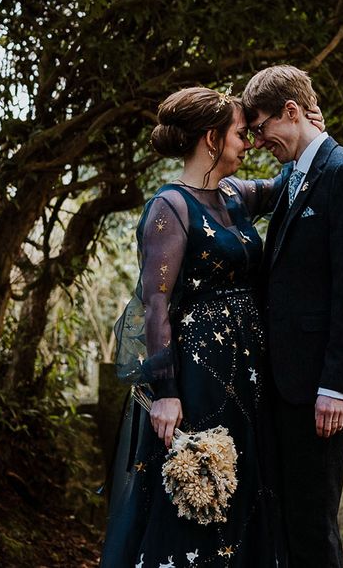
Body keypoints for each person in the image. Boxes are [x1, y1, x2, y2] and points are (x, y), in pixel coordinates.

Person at [100, 86, 322, 568]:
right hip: (200, 377)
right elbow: (155, 305)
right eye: (242, 134)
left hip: (251, 374)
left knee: (247, 493)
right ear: (212, 138)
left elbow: (290, 182)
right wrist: (165, 393)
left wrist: (309, 130)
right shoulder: (170, 208)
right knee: (202, 494)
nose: (250, 143)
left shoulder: (234, 194)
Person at [241, 65, 343, 568]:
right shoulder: (294, 173)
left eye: (261, 127)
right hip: (286, 382)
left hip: (319, 387)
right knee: (285, 517)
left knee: (312, 521)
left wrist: (337, 386)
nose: (259, 140)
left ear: (291, 111)